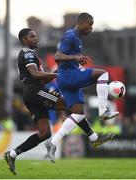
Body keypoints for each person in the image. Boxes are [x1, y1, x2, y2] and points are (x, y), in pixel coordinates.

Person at [47, 12, 119, 162]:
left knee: (78, 114)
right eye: (90, 24)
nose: (91, 28)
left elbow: (63, 60)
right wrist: (75, 58)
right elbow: (57, 56)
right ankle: (103, 112)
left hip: (65, 77)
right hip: (69, 76)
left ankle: (54, 142)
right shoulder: (70, 36)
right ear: (81, 23)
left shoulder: (77, 38)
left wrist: (74, 62)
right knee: (103, 74)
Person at [3, 28, 68, 175]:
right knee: (69, 104)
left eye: (36, 36)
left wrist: (54, 73)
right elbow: (35, 74)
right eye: (32, 36)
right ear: (24, 40)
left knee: (44, 133)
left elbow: (41, 76)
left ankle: (12, 154)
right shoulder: (27, 53)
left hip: (32, 94)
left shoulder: (32, 55)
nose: (36, 38)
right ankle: (93, 136)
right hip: (35, 92)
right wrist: (56, 74)